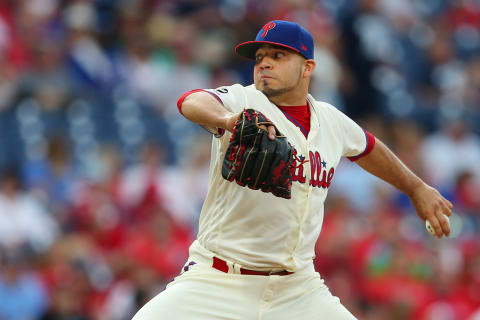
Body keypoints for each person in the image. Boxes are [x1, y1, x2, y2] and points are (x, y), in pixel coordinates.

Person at [132, 20, 453, 320]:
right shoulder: (243, 100)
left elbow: (368, 148)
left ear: (307, 67)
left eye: (278, 55)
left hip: (298, 287)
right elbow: (191, 101)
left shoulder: (330, 120)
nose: (264, 63)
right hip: (218, 279)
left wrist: (416, 188)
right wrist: (227, 121)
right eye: (259, 57)